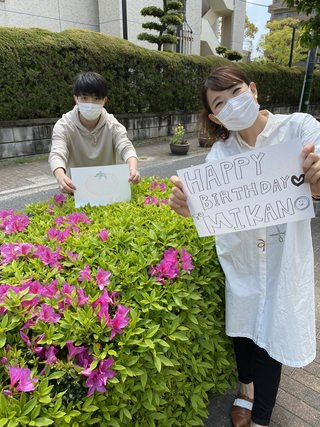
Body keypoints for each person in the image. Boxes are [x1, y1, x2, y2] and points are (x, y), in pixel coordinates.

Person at [169, 66, 320, 427]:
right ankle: (246, 388)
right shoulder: (220, 156)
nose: (232, 104)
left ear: (252, 90)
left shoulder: (299, 129)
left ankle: (261, 418)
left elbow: (316, 176)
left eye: (236, 92)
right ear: (214, 116)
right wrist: (191, 207)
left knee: (273, 336)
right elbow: (210, 207)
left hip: (284, 259)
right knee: (243, 332)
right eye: (220, 102)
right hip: (243, 260)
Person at [49, 71, 140, 193]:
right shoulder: (64, 125)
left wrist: (132, 168)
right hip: (74, 190)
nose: (90, 104)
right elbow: (57, 152)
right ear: (76, 98)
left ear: (104, 100)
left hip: (107, 188)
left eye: (97, 98)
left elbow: (125, 146)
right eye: (84, 98)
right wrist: (60, 176)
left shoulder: (112, 125)